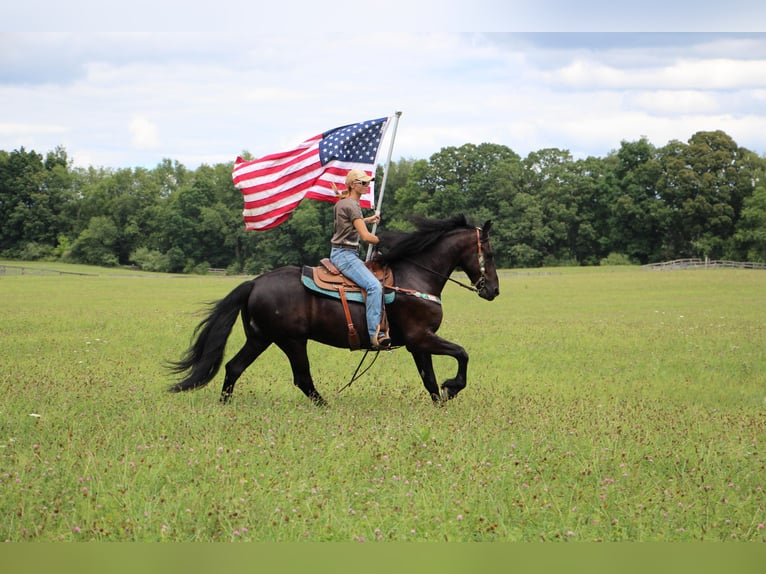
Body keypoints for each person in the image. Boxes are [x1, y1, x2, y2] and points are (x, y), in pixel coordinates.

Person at [330, 168, 391, 350]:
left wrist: (369, 219)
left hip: (342, 252)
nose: (366, 186)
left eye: (368, 183)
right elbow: (365, 237)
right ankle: (375, 335)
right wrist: (389, 240)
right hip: (345, 255)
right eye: (363, 183)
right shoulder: (352, 206)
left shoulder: (345, 203)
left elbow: (351, 225)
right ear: (352, 185)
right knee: (373, 286)